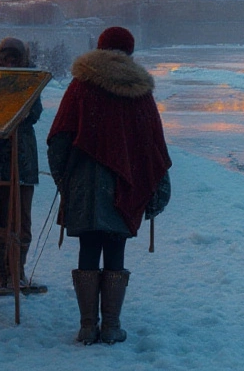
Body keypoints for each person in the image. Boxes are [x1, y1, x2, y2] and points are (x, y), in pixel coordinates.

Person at [48, 26, 172, 346]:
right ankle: (112, 326)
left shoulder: (80, 85)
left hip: (84, 182)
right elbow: (153, 145)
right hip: (125, 181)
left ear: (100, 48)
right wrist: (156, 184)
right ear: (129, 52)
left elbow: (59, 137)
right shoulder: (139, 92)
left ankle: (88, 326)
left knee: (88, 246)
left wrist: (64, 180)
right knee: (115, 246)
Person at [0, 38, 44, 290]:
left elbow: (34, 113)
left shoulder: (31, 81)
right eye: (7, 57)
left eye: (15, 57)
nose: (10, 61)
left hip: (21, 157)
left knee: (20, 218)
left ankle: (17, 270)